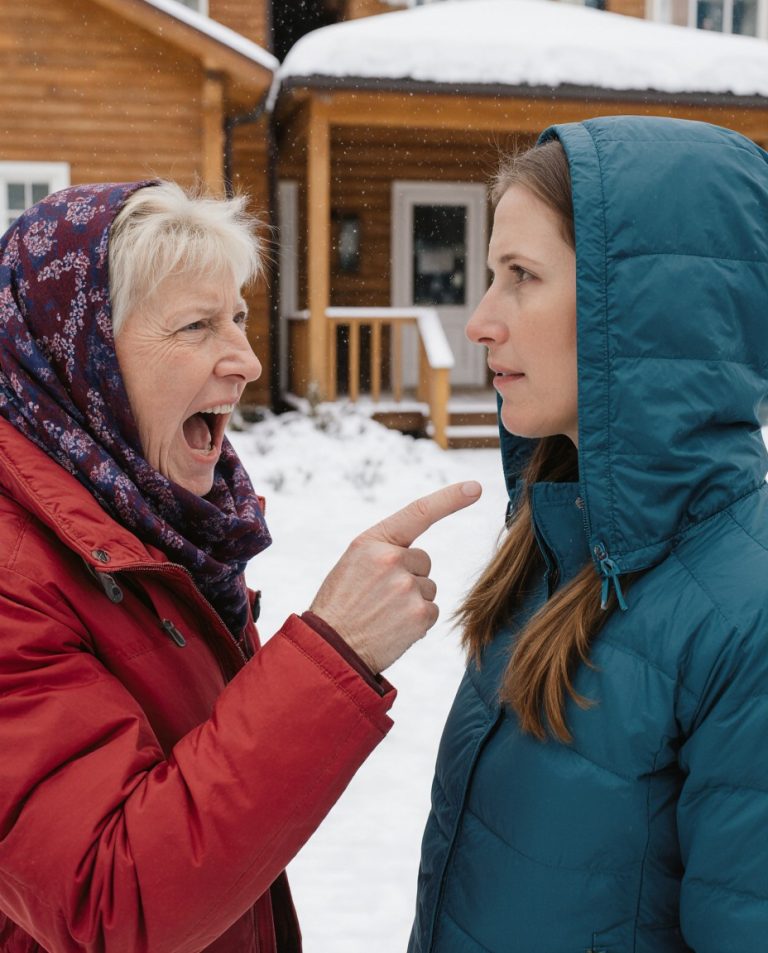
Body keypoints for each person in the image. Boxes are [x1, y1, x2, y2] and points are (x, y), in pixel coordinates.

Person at [0, 180, 481, 953]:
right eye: (196, 325)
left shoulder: (147, 517)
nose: (248, 361)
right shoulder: (16, 570)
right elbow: (109, 901)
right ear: (78, 353)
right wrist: (335, 652)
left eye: (240, 317)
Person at [408, 115, 768, 953]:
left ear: (644, 313)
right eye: (493, 274)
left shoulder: (746, 620)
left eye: (522, 276)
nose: (481, 320)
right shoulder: (557, 546)